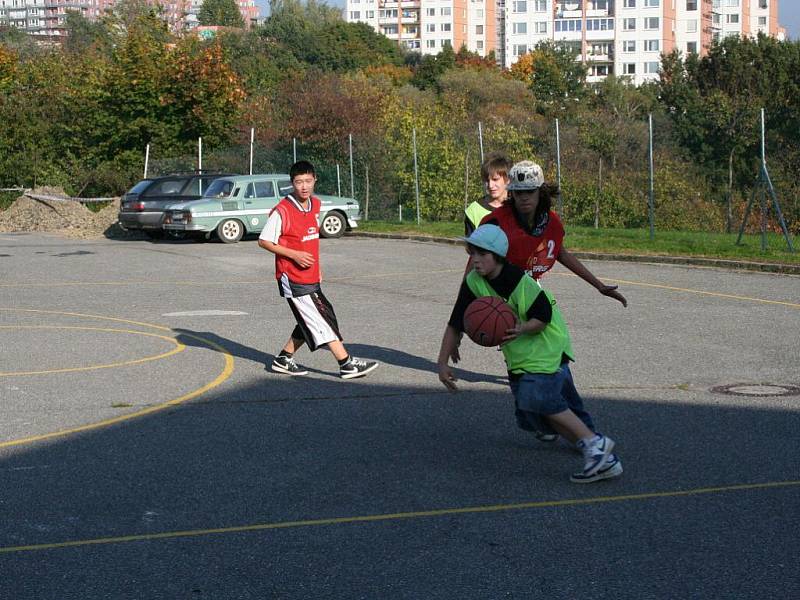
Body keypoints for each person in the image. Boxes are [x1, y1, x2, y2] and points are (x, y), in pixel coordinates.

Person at [437, 224, 622, 483]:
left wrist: (522, 328)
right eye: (472, 253)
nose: (475, 260)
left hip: (545, 342)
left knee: (536, 399)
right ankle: (598, 454)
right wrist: (442, 362)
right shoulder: (474, 282)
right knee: (537, 412)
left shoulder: (518, 280)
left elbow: (544, 315)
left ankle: (595, 445)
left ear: (497, 255)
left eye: (481, 254)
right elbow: (456, 321)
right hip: (522, 353)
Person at [258, 160, 379, 380]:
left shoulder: (315, 205)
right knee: (321, 317)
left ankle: (283, 358)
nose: (303, 186)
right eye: (298, 182)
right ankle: (346, 364)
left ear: (315, 180)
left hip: (311, 275)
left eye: (307, 181)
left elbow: (311, 241)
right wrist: (294, 255)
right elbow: (265, 241)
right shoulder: (282, 211)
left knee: (311, 317)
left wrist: (317, 268)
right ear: (292, 183)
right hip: (292, 277)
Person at [481, 160, 628, 307]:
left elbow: (560, 253)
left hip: (526, 287)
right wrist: (458, 320)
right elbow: (474, 264)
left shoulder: (551, 222)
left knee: (552, 326)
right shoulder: (496, 222)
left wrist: (599, 285)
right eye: (519, 192)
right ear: (512, 193)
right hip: (496, 290)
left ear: (540, 191)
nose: (524, 197)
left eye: (530, 190)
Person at [464, 153, 512, 236]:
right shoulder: (473, 211)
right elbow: (471, 247)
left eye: (495, 179)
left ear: (507, 179)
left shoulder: (519, 206)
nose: (490, 185)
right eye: (487, 180)